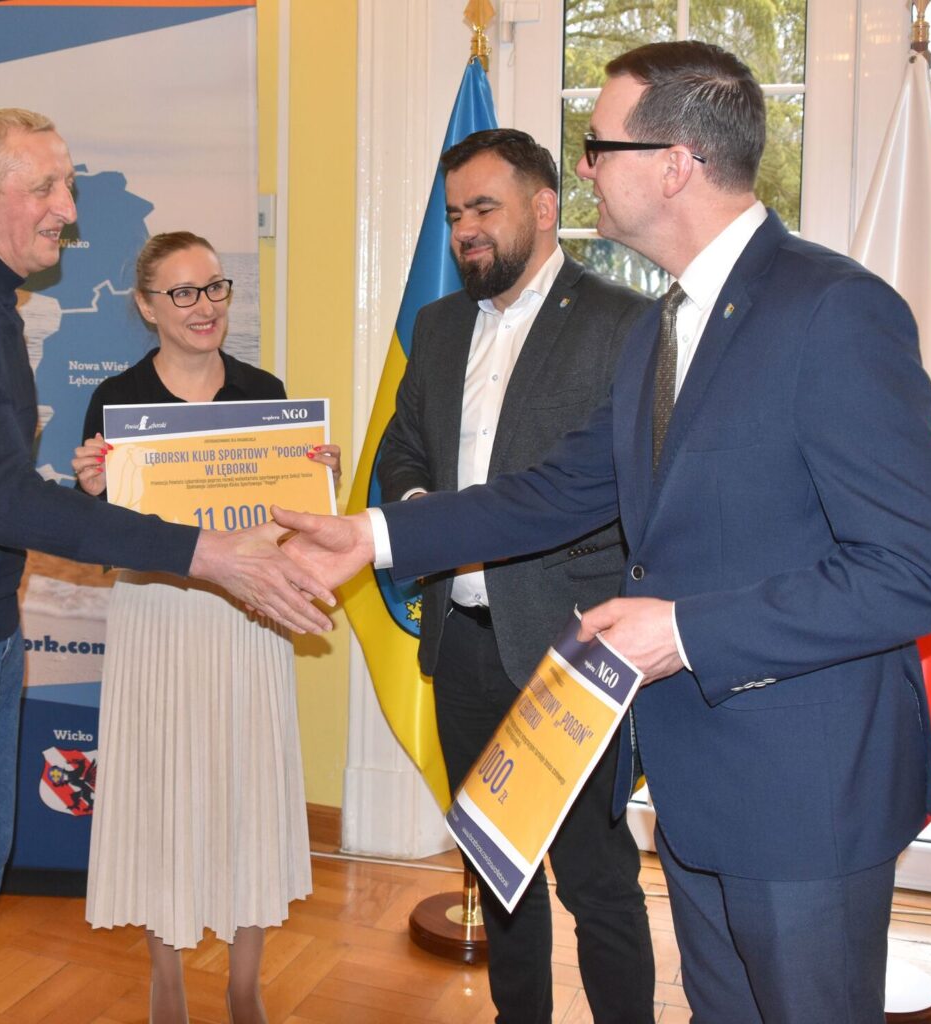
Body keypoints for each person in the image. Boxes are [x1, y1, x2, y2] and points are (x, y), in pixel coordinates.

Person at [274, 41, 931, 1023]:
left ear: (675, 163)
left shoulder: (834, 311)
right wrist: (377, 537)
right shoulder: (659, 327)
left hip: (805, 795)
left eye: (599, 145)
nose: (585, 167)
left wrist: (681, 630)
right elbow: (555, 492)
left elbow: (915, 574)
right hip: (693, 781)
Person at [0, 109, 332, 1024]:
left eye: (67, 184)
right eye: (45, 188)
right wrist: (202, 551)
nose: (68, 207)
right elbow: (4, 499)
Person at [376, 128, 654, 1024]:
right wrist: (420, 507)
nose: (465, 230)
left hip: (571, 650)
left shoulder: (624, 323)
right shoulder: (437, 326)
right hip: (461, 646)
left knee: (598, 884)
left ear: (543, 207)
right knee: (497, 868)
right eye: (455, 213)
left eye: (484, 208)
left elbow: (632, 487)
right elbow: (401, 449)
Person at [71, 231, 340, 1024]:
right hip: (157, 618)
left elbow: (286, 529)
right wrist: (91, 491)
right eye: (183, 292)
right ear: (147, 305)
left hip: (248, 619)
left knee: (248, 790)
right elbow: (104, 532)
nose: (205, 307)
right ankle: (167, 980)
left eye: (216, 287)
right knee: (162, 793)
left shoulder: (265, 394)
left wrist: (313, 485)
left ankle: (245, 984)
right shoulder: (117, 402)